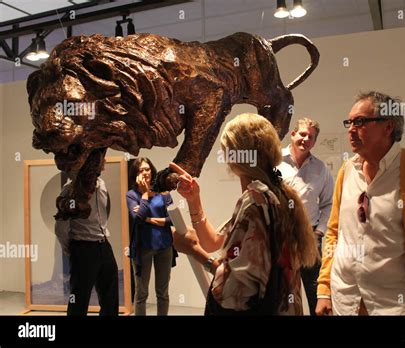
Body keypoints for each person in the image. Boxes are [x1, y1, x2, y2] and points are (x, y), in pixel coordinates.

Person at [316, 91, 405, 316]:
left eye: (360, 122)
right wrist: (324, 289)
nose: (351, 129)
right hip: (345, 301)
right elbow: (334, 232)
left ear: (388, 126)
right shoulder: (346, 171)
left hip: (395, 307)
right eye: (349, 122)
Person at [171, 113, 318, 315]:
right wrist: (194, 200)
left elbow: (235, 290)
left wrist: (194, 251)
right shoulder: (277, 194)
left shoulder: (254, 202)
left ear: (235, 157)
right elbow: (214, 241)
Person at [277, 118, 334, 315]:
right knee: (281, 291)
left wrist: (319, 232)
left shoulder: (321, 169)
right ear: (292, 135)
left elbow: (329, 203)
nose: (305, 139)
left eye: (311, 137)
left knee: (313, 290)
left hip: (310, 236)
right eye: (302, 134)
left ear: (314, 142)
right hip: (279, 236)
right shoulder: (274, 160)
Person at [55, 152, 119, 316]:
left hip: (103, 244)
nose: (104, 160)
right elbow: (61, 226)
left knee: (110, 296)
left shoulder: (102, 184)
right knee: (79, 297)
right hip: (83, 247)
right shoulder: (70, 189)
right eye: (100, 157)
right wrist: (72, 249)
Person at [126, 157, 174, 316]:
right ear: (135, 174)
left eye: (147, 169)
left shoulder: (163, 193)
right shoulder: (132, 195)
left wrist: (148, 219)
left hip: (164, 247)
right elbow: (138, 218)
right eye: (140, 170)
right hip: (142, 249)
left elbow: (172, 220)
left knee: (163, 292)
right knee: (141, 294)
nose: (144, 172)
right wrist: (145, 193)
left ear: (152, 170)